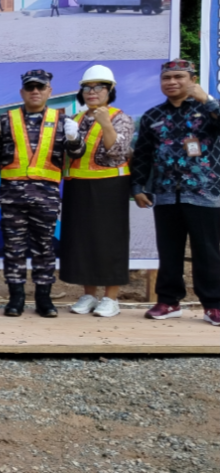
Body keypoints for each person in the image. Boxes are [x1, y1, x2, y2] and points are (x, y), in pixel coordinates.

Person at [132, 60, 220, 326]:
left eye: (178, 77)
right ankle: (168, 301)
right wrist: (138, 187)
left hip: (204, 192)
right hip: (165, 193)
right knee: (168, 251)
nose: (171, 82)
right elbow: (142, 155)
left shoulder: (208, 111)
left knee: (208, 252)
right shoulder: (152, 116)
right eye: (166, 78)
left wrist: (209, 100)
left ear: (192, 79)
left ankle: (214, 305)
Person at [0, 70, 84, 318]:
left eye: (40, 88)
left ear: (49, 92)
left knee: (44, 248)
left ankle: (44, 299)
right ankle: (16, 299)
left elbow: (76, 155)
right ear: (22, 92)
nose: (35, 91)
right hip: (12, 195)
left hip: (46, 195)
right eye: (30, 87)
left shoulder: (64, 121)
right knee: (14, 248)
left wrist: (75, 138)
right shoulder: (6, 120)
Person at [59, 65, 135, 318]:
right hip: (78, 185)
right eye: (87, 88)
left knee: (109, 242)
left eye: (99, 87)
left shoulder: (120, 117)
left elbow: (118, 152)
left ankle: (110, 298)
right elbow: (72, 153)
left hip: (109, 186)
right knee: (82, 241)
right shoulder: (78, 119)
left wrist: (106, 125)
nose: (92, 92)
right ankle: (89, 294)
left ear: (110, 90)